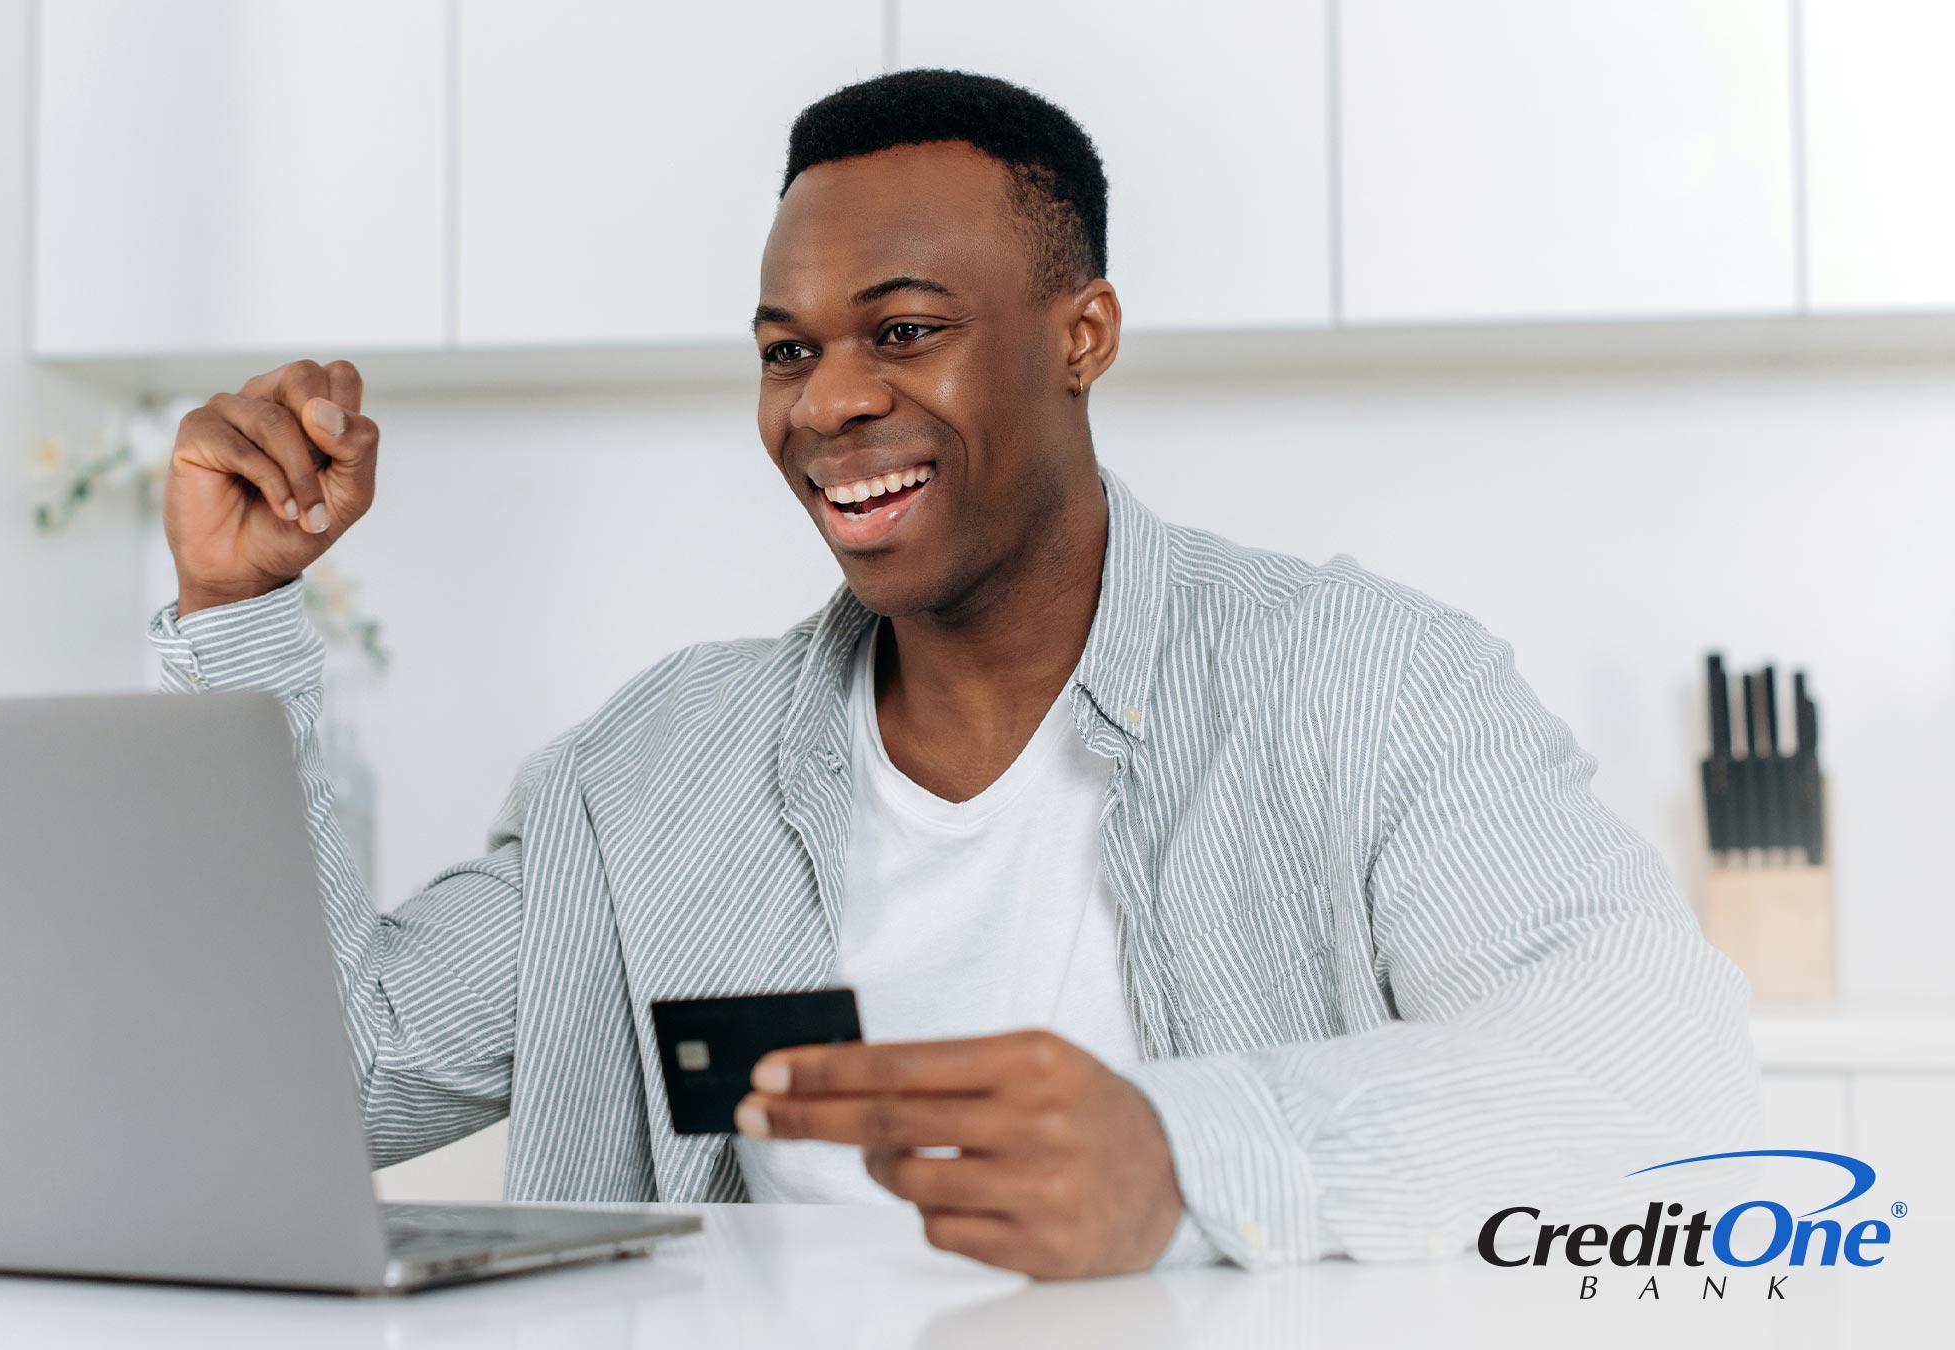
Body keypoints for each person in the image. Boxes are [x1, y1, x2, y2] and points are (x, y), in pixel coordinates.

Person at [149, 69, 1758, 1279]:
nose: (827, 400)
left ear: (1082, 334)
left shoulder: (1357, 682)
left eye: (903, 329)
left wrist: (1189, 1158)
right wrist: (237, 610)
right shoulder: (646, 776)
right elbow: (334, 1084)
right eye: (787, 350)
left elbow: (1653, 1042)